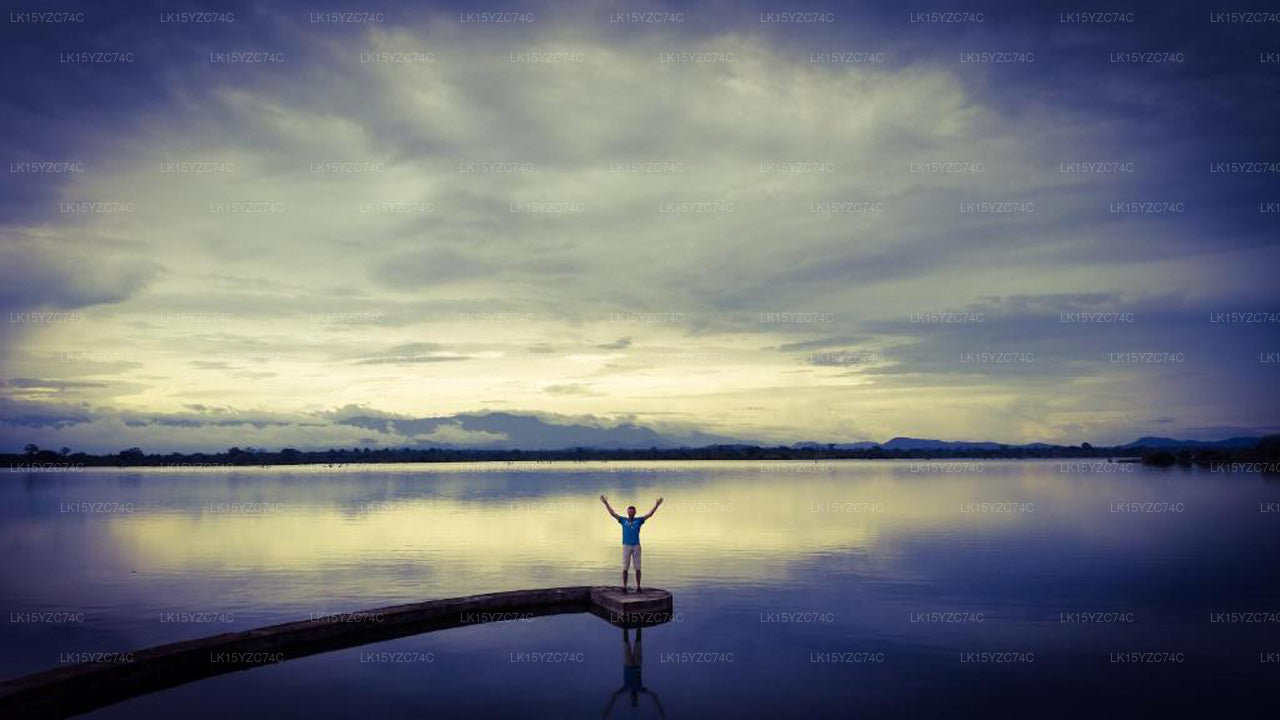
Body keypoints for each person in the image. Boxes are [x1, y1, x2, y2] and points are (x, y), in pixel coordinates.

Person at [600, 495, 662, 591]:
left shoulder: (639, 520)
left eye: (632, 511)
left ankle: (638, 586)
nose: (631, 513)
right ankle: (624, 587)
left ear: (635, 512)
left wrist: (657, 505)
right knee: (625, 568)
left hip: (636, 546)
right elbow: (612, 513)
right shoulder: (623, 520)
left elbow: (650, 514)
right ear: (627, 512)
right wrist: (605, 503)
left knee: (638, 568)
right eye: (629, 511)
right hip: (626, 546)